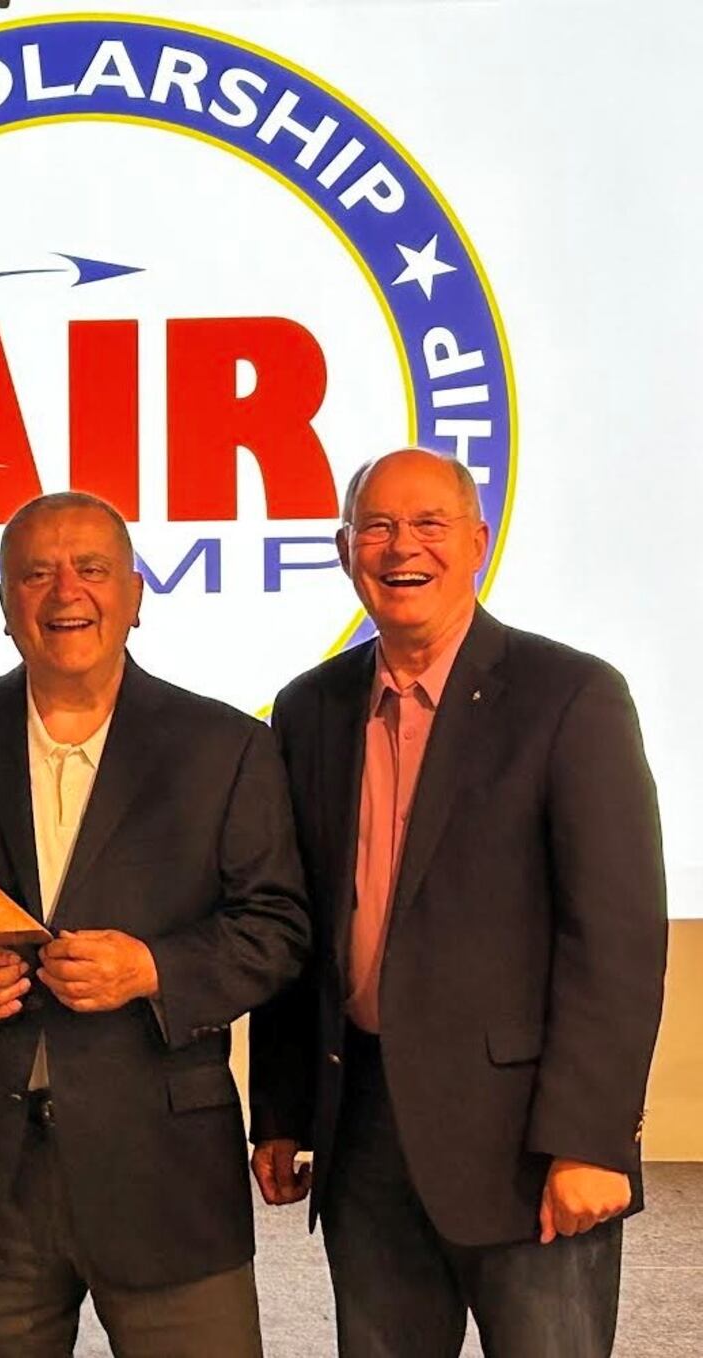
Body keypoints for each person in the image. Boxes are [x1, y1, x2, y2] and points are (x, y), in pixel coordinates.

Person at [0, 491, 310, 1357]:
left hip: (165, 1176)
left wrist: (155, 970)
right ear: (4, 605)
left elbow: (279, 926)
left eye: (92, 569)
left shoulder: (226, 747)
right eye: (36, 574)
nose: (66, 592)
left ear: (136, 594)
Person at [249, 447, 667, 1358]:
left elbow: (617, 939)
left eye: (429, 524)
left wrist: (592, 1139)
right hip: (362, 1132)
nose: (403, 547)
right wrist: (280, 1108)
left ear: (477, 543)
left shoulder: (573, 696)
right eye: (378, 527)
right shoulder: (308, 708)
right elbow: (298, 919)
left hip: (529, 1145)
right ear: (345, 549)